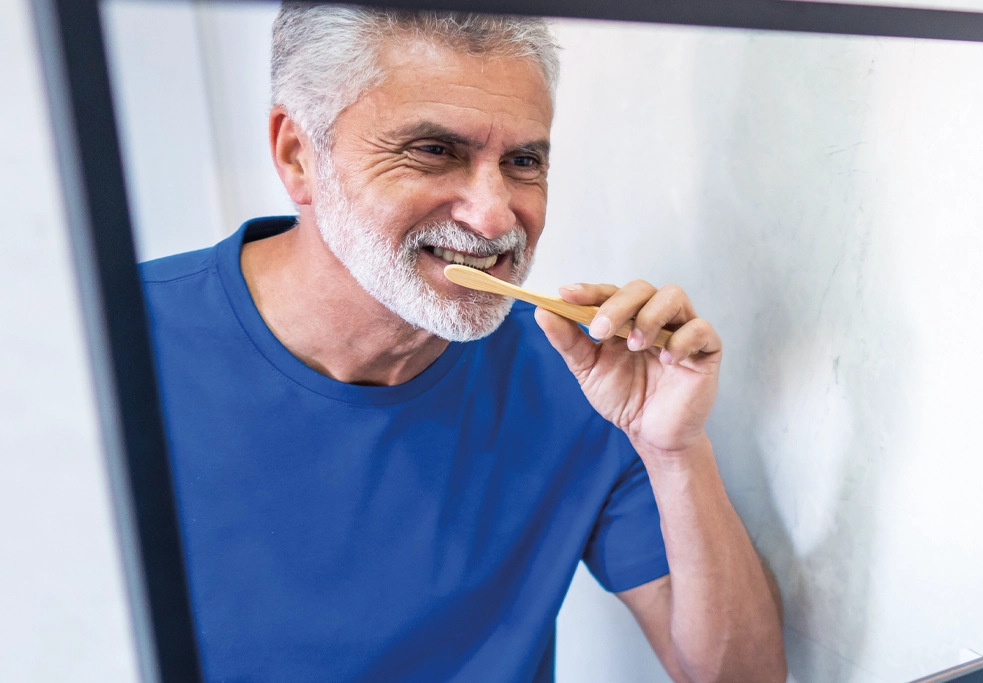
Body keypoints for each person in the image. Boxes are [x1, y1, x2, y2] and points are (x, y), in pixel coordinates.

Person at [141, 5, 785, 682]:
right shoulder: (111, 342)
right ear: (299, 156)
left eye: (523, 160)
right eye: (434, 150)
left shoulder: (588, 384)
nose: (494, 214)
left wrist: (672, 449)